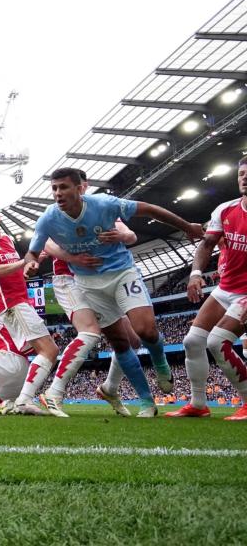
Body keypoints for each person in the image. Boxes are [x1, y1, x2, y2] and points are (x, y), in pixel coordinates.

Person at [26, 167, 204, 417]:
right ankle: (146, 402)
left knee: (145, 331)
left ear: (80, 188)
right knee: (121, 342)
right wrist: (31, 263)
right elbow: (35, 250)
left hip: (122, 273)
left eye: (63, 187)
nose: (57, 193)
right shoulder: (49, 218)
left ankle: (161, 363)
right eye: (54, 188)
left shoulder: (105, 205)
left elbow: (149, 210)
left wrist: (187, 227)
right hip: (88, 285)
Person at [36, 170, 135, 417]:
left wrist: (122, 235)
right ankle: (54, 393)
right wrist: (72, 257)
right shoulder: (55, 215)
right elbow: (43, 242)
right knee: (90, 332)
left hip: (101, 279)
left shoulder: (99, 210)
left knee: (130, 340)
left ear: (83, 188)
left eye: (70, 187)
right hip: (68, 279)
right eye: (58, 188)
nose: (62, 193)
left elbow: (131, 235)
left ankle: (110, 388)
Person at [167, 156, 247, 421]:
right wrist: (196, 274)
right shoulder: (225, 210)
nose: (244, 178)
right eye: (241, 174)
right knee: (192, 342)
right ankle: (198, 404)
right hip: (225, 290)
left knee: (217, 342)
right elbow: (206, 244)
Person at [0, 203, 55, 415]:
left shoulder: (7, 240)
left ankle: (11, 399)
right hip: (11, 305)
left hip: (21, 302)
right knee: (50, 350)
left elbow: (17, 271)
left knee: (26, 354)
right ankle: (26, 400)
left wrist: (31, 264)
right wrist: (25, 260)